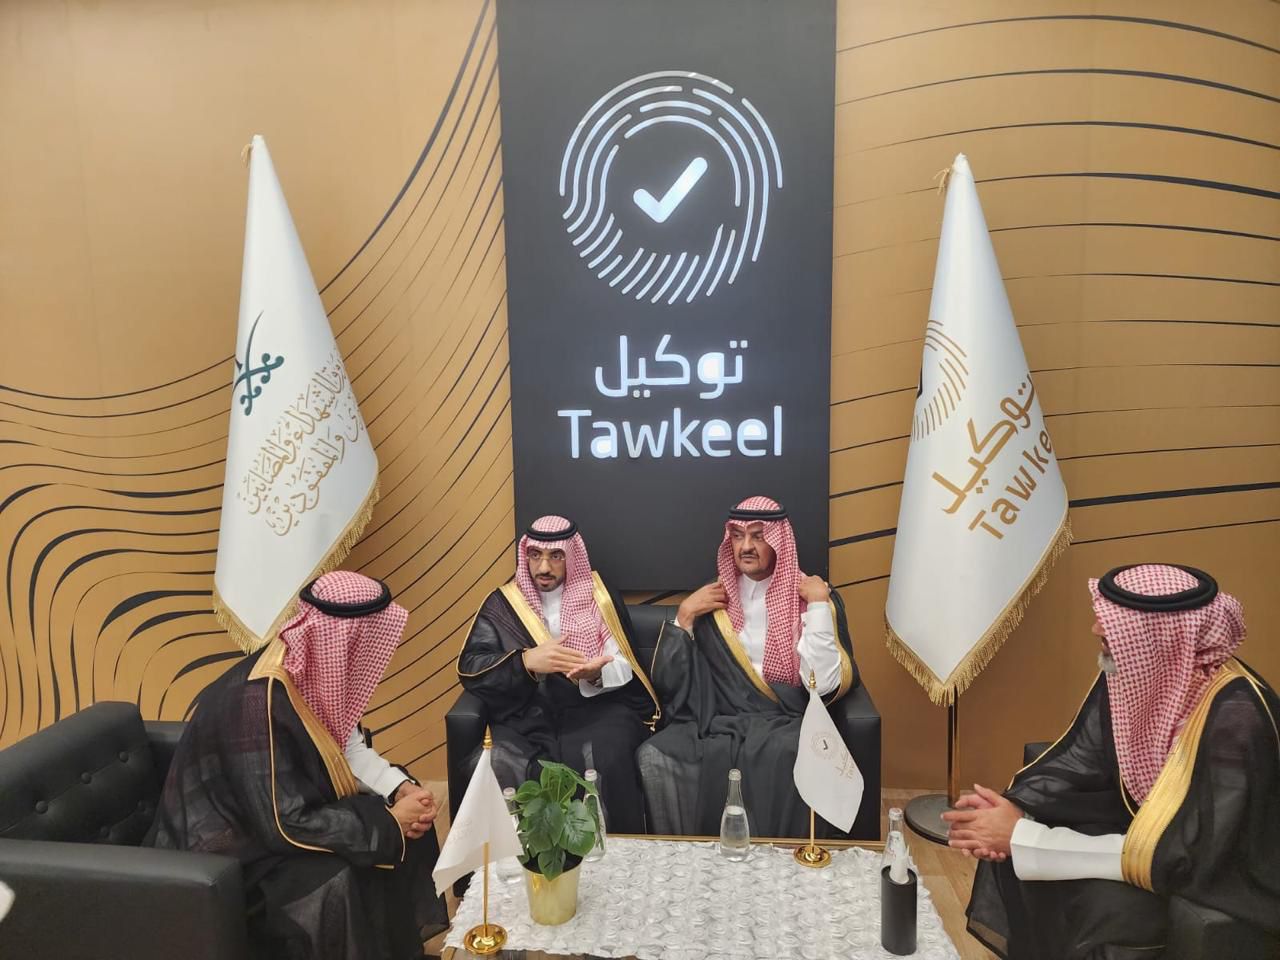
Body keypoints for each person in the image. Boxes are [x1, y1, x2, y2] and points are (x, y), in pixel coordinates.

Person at [945, 563, 1280, 959]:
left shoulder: (1238, 717)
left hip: (1214, 869)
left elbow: (1194, 851)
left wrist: (1022, 837)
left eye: (1111, 622)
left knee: (1105, 908)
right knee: (1022, 852)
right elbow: (1083, 755)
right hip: (1148, 833)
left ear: (1157, 636)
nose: (1096, 629)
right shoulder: (1141, 672)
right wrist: (1017, 807)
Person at [148, 571, 447, 960]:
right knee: (339, 878)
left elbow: (342, 744)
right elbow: (283, 823)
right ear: (343, 638)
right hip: (229, 845)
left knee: (407, 824)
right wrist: (389, 822)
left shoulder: (311, 668)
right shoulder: (255, 702)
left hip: (280, 814)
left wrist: (398, 789)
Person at [637, 495, 858, 837]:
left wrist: (816, 606)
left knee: (791, 752)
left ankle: (778, 861)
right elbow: (672, 684)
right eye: (738, 536)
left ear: (779, 541)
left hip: (787, 718)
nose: (746, 547)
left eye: (758, 536)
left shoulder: (809, 597)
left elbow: (825, 684)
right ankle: (690, 856)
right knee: (653, 753)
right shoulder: (714, 601)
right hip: (720, 718)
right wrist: (684, 616)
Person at [456, 515, 658, 832]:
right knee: (500, 761)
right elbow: (472, 667)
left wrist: (594, 675)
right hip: (527, 713)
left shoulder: (598, 596)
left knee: (606, 755)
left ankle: (610, 852)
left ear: (572, 556)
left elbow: (624, 665)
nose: (544, 567)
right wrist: (525, 662)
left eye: (555, 556)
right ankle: (523, 858)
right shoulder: (503, 603)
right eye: (535, 555)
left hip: (596, 709)